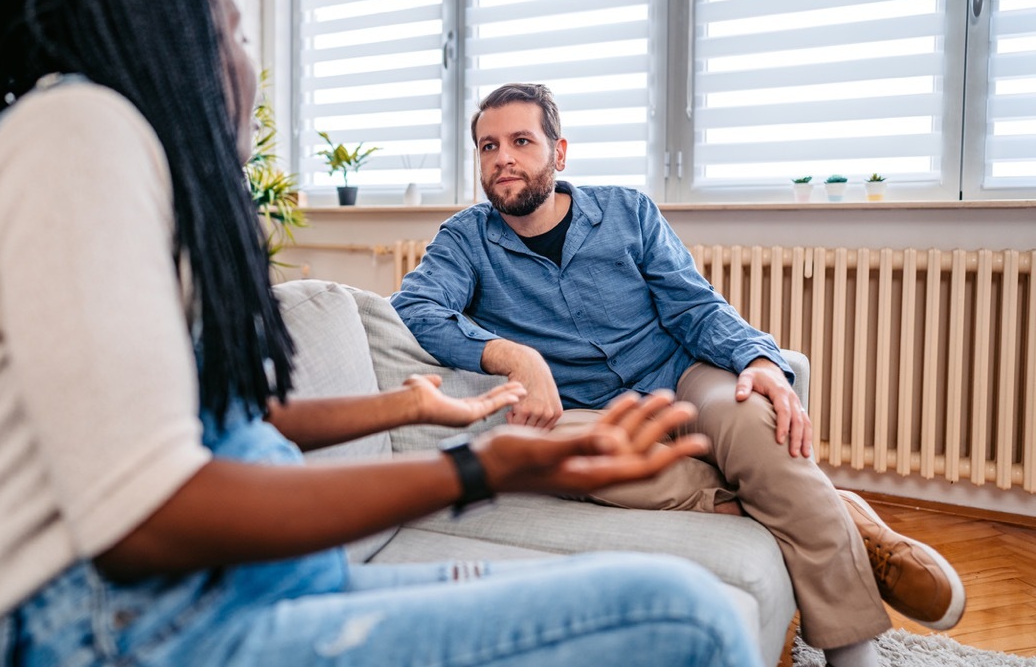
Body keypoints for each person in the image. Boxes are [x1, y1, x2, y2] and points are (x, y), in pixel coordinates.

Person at [0, 0, 764, 667]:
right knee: (684, 616)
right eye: (229, 33)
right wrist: (478, 467)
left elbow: (200, 426)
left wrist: (405, 406)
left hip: (230, 602)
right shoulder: (78, 129)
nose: (244, 66)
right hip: (122, 631)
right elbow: (144, 515)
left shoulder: (96, 151)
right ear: (162, 36)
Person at [392, 83, 967, 667]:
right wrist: (516, 356)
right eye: (488, 147)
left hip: (679, 376)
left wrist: (758, 359)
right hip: (585, 410)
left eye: (521, 141)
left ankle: (853, 656)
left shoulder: (627, 211)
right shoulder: (464, 239)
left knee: (760, 420)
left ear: (559, 152)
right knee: (547, 456)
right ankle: (829, 511)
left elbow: (695, 307)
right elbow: (413, 309)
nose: (503, 158)